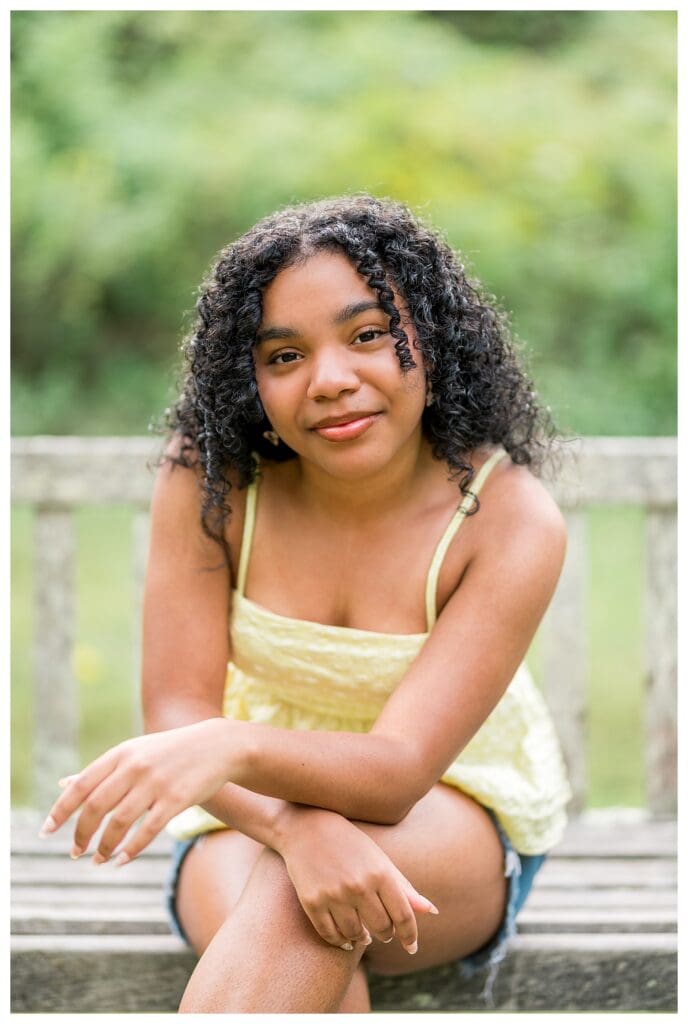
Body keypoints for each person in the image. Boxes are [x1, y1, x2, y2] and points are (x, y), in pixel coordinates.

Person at [40, 194, 572, 1013]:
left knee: (293, 909)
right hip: (243, 819)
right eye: (283, 356)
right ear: (248, 378)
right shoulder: (214, 478)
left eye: (367, 336)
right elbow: (177, 701)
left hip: (452, 810)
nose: (329, 381)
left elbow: (397, 772)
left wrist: (227, 746)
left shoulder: (507, 519)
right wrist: (295, 826)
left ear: (431, 340)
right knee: (301, 917)